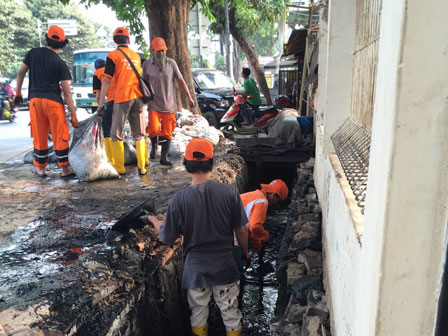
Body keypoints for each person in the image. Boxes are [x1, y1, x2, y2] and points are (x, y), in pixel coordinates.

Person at [146, 138, 249, 336]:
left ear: (186, 164)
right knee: (230, 313)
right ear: (211, 163)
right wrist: (245, 252)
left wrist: (154, 221)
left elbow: (166, 237)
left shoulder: (179, 199)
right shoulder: (230, 192)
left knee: (199, 314)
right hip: (224, 267)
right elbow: (242, 230)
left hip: (196, 271)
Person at [14, 25, 79, 178]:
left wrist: (17, 92)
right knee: (59, 134)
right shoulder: (60, 63)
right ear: (62, 43)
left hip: (35, 101)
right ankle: (65, 169)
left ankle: (40, 168)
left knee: (40, 134)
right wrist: (74, 114)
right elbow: (67, 92)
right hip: (54, 103)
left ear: (47, 38)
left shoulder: (33, 54)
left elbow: (20, 72)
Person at [97, 27, 148, 175]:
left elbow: (106, 80)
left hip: (122, 97)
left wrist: (100, 104)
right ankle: (142, 167)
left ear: (115, 40)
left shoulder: (113, 56)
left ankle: (119, 168)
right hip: (138, 97)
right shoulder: (136, 56)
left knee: (116, 133)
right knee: (139, 133)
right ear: (128, 40)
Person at [142, 37, 195, 167]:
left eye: (163, 51)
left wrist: (189, 97)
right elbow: (143, 83)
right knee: (153, 129)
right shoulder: (147, 65)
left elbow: (181, 80)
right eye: (158, 51)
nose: (161, 53)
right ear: (153, 51)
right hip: (153, 104)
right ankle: (154, 147)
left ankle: (164, 158)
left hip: (169, 105)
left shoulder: (172, 64)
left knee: (167, 132)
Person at [240, 179, 288, 264]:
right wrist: (265, 236)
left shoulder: (256, 195)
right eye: (278, 201)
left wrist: (258, 248)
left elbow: (252, 229)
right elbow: (255, 227)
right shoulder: (262, 202)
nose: (276, 204)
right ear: (274, 195)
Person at [92, 58, 115, 165]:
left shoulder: (97, 74)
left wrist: (99, 107)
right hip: (123, 100)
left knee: (107, 129)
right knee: (118, 130)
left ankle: (111, 160)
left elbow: (98, 95)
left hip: (111, 101)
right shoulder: (112, 69)